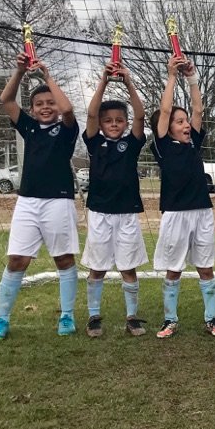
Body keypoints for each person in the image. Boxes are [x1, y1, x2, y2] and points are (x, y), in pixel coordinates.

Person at [0, 53, 80, 340]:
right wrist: (18, 70)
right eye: (39, 104)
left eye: (49, 102)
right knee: (17, 260)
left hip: (59, 201)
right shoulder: (28, 127)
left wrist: (47, 77)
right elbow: (6, 100)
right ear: (32, 108)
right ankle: (1, 319)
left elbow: (68, 109)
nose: (45, 107)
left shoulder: (66, 128)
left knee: (63, 259)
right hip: (27, 201)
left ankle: (66, 315)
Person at [150, 55, 215, 339]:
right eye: (178, 121)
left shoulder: (193, 142)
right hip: (175, 214)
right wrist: (171, 76)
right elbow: (165, 108)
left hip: (202, 212)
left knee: (206, 267)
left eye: (185, 122)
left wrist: (192, 77)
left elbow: (197, 108)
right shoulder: (161, 145)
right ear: (166, 127)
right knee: (174, 270)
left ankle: (211, 319)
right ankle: (170, 320)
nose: (184, 124)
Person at [81, 61, 148, 337]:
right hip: (99, 212)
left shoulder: (131, 143)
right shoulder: (94, 141)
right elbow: (91, 113)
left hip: (127, 212)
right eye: (108, 120)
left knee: (127, 266)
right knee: (97, 267)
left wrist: (129, 81)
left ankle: (132, 317)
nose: (113, 124)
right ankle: (93, 316)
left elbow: (141, 116)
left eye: (119, 120)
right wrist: (104, 81)